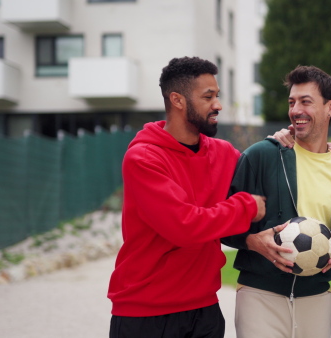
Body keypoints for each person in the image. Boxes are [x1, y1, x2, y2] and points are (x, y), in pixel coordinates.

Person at [107, 56, 267, 338]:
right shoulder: (143, 158)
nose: (217, 105)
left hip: (204, 309)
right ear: (177, 100)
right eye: (208, 97)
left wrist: (306, 145)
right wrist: (247, 207)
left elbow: (264, 173)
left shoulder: (224, 153)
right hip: (145, 312)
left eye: (217, 96)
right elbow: (184, 226)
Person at [221, 65, 331, 338]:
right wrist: (251, 241)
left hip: (318, 299)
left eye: (306, 101)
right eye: (292, 102)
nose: (296, 110)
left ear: (330, 107)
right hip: (260, 295)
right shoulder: (263, 155)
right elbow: (224, 224)